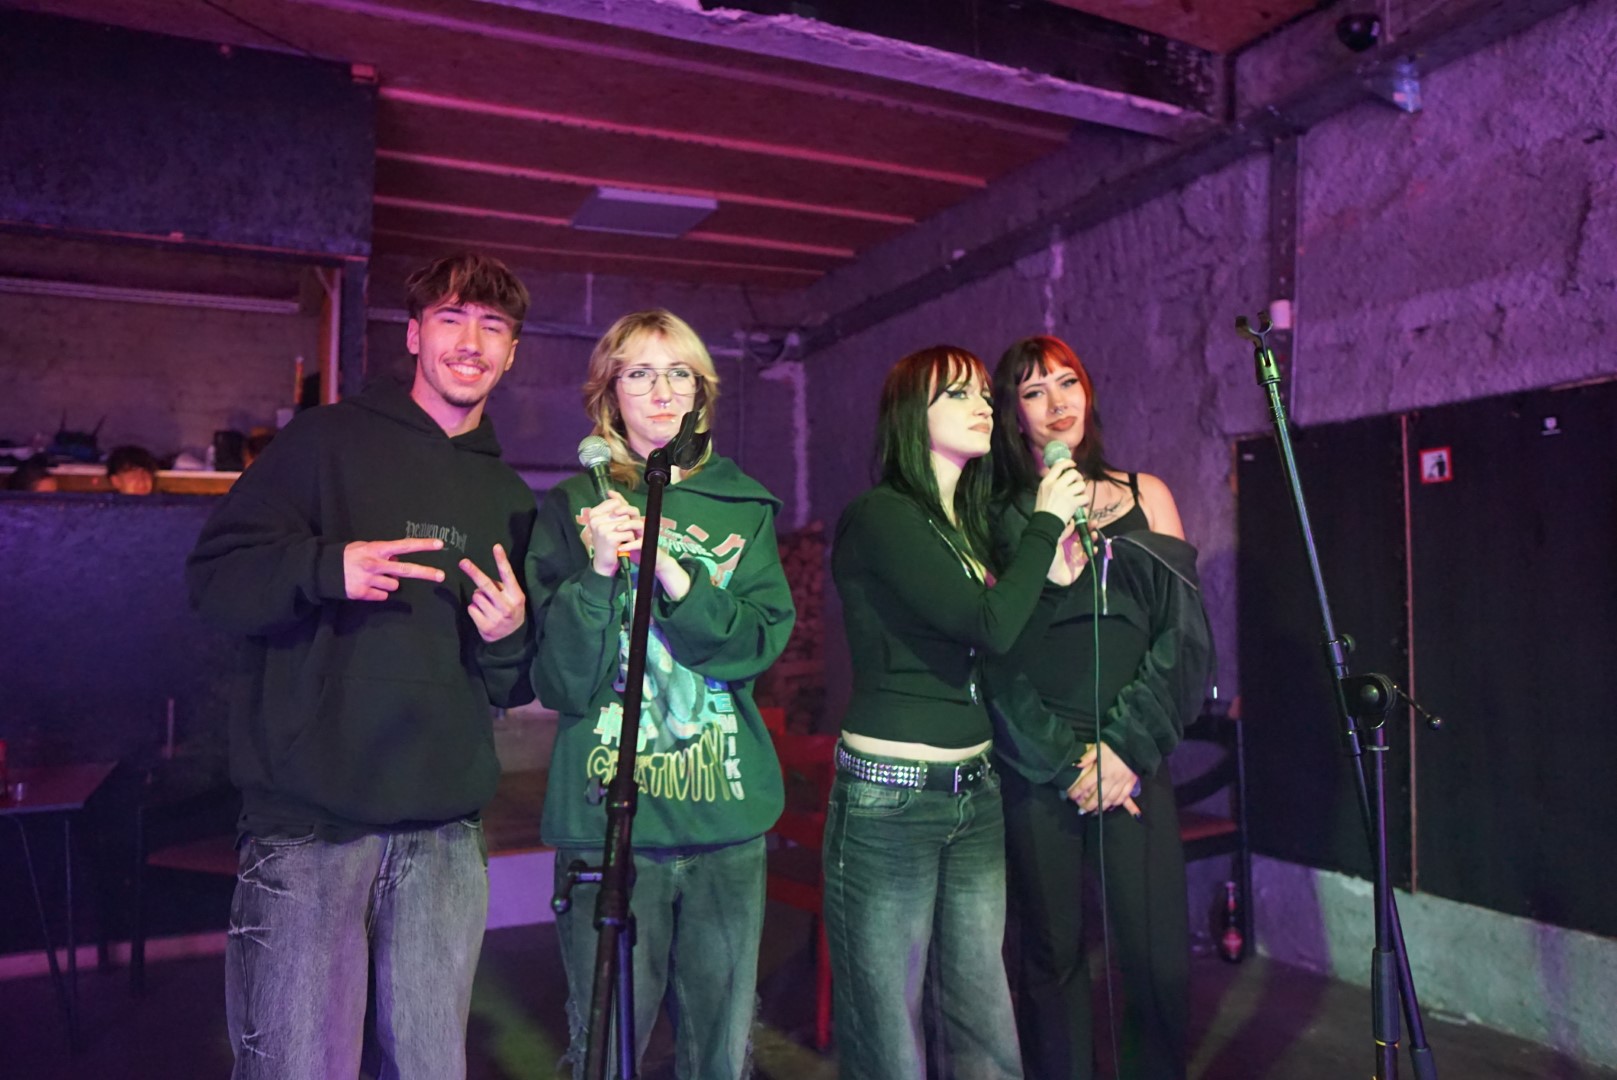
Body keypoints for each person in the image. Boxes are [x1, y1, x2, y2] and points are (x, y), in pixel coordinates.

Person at [186, 252, 537, 1079]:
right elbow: (213, 582)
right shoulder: (324, 444)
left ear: (512, 353)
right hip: (310, 828)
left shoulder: (512, 499)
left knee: (429, 1069)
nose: (470, 342)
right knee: (299, 1066)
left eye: (492, 326)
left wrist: (508, 635)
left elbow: (512, 683)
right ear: (413, 335)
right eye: (450, 318)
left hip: (444, 835)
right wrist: (324, 567)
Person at [526, 309, 795, 1079]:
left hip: (723, 822)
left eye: (680, 372)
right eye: (640, 373)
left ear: (700, 391)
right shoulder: (569, 508)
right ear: (609, 392)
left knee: (719, 1052)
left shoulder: (744, 506)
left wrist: (673, 573)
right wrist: (597, 573)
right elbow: (559, 681)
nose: (663, 390)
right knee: (607, 1049)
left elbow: (754, 646)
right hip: (606, 824)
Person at [824, 344, 1088, 1080]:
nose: (982, 407)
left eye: (983, 395)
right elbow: (987, 625)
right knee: (890, 1037)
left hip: (974, 792)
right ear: (914, 415)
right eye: (958, 395)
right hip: (891, 800)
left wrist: (1053, 574)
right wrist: (1044, 525)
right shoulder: (881, 516)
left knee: (984, 1022)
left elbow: (1006, 645)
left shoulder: (961, 525)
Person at [985, 335, 1214, 1080]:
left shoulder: (1148, 496)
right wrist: (1062, 761)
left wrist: (1124, 751)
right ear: (1012, 413)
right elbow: (993, 656)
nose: (1056, 404)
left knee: (1153, 955)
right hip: (1040, 759)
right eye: (1033, 391)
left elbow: (1183, 640)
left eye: (1067, 383)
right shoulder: (996, 513)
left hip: (1130, 756)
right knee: (1051, 955)